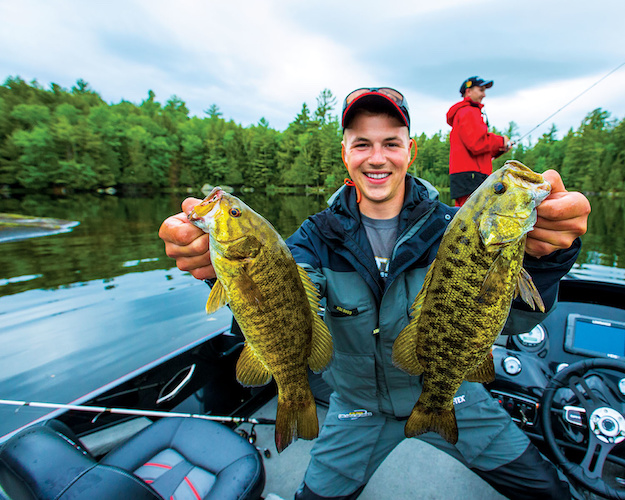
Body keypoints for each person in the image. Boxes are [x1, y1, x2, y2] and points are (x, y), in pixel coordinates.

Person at [159, 87, 591, 500]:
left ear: (410, 150)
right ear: (345, 152)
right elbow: (279, 312)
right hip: (357, 403)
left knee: (547, 491)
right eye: (362, 143)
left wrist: (546, 258)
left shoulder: (457, 229)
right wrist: (217, 275)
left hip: (455, 389)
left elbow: (513, 318)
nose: (377, 157)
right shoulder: (312, 239)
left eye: (391, 142)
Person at [447, 76, 511, 207]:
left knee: (465, 218)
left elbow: (477, 146)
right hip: (472, 176)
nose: (484, 94)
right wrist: (500, 141)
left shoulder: (464, 112)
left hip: (467, 175)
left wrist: (501, 148)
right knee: (474, 218)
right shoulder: (469, 111)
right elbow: (477, 144)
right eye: (481, 90)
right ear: (468, 91)